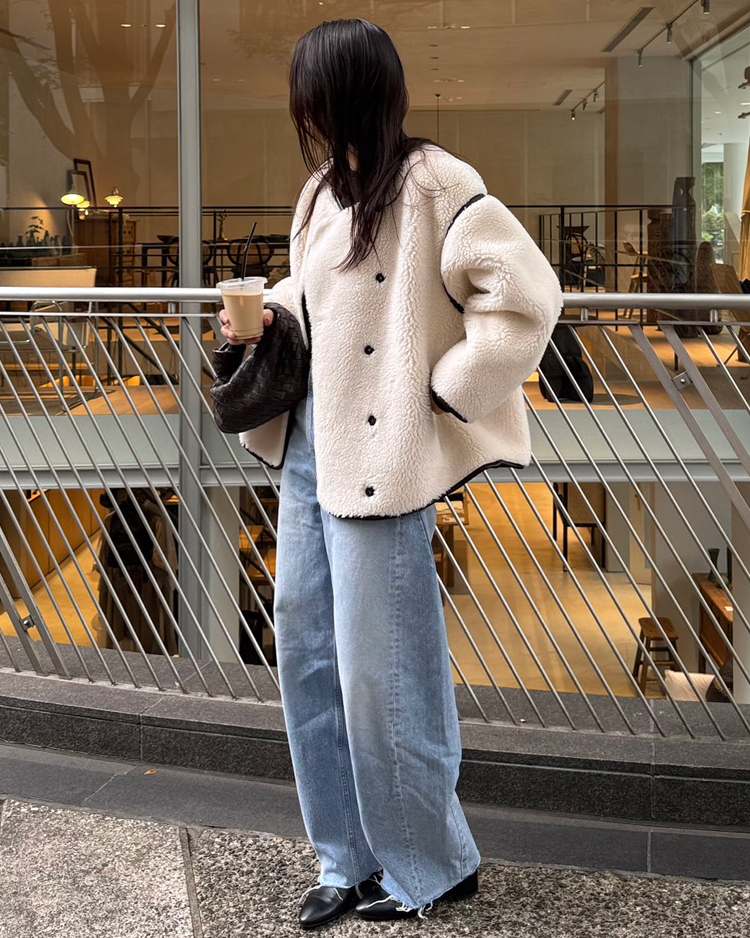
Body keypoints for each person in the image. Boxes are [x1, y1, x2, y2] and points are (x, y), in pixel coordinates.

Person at [217, 18, 562, 930]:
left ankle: (431, 864)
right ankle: (344, 858)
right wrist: (265, 319)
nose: (307, 112)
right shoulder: (319, 193)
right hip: (309, 450)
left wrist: (447, 393)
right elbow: (315, 298)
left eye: (316, 93)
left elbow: (527, 299)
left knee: (386, 678)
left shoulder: (437, 182)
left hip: (383, 461)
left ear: (352, 90)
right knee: (307, 662)